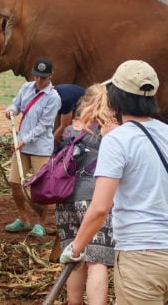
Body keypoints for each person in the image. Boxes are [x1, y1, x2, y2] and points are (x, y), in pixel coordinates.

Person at [61, 60, 168, 304]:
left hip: (141, 259)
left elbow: (100, 209)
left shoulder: (117, 140)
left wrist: (75, 248)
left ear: (115, 97)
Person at [55, 85, 117, 305]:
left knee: (74, 256)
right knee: (96, 261)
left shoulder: (73, 127)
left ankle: (73, 302)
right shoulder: (110, 130)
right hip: (93, 199)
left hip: (66, 199)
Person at [4, 57, 62, 238]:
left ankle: (40, 222)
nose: (39, 80)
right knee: (14, 182)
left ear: (51, 76)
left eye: (43, 77)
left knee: (40, 188)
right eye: (36, 76)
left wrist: (24, 140)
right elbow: (17, 104)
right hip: (22, 145)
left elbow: (44, 125)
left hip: (40, 148)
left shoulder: (53, 98)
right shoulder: (26, 88)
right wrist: (11, 110)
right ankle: (23, 218)